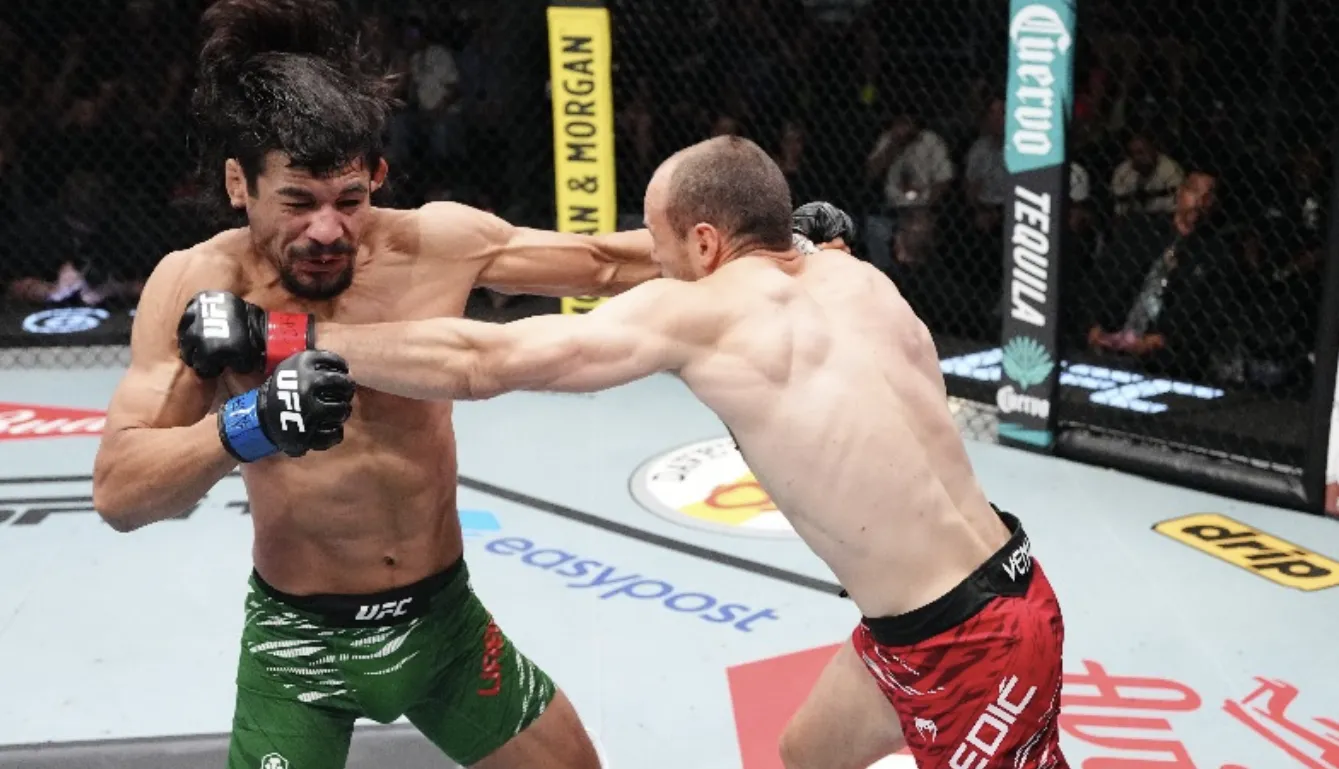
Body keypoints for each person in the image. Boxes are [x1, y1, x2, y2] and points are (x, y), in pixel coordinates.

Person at [92, 3, 837, 767]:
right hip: (299, 647)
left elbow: (602, 262)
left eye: (349, 199)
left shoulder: (434, 244)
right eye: (298, 202)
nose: (326, 229)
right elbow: (121, 491)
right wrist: (250, 422)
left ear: (377, 176)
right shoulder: (200, 285)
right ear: (239, 184)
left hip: (443, 625)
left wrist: (769, 247)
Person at [240, 135, 1069, 769]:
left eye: (659, 241)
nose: (653, 260)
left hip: (975, 645)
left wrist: (292, 335)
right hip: (954, 607)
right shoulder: (852, 276)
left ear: (705, 244)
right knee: (806, 753)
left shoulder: (703, 310)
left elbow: (483, 360)